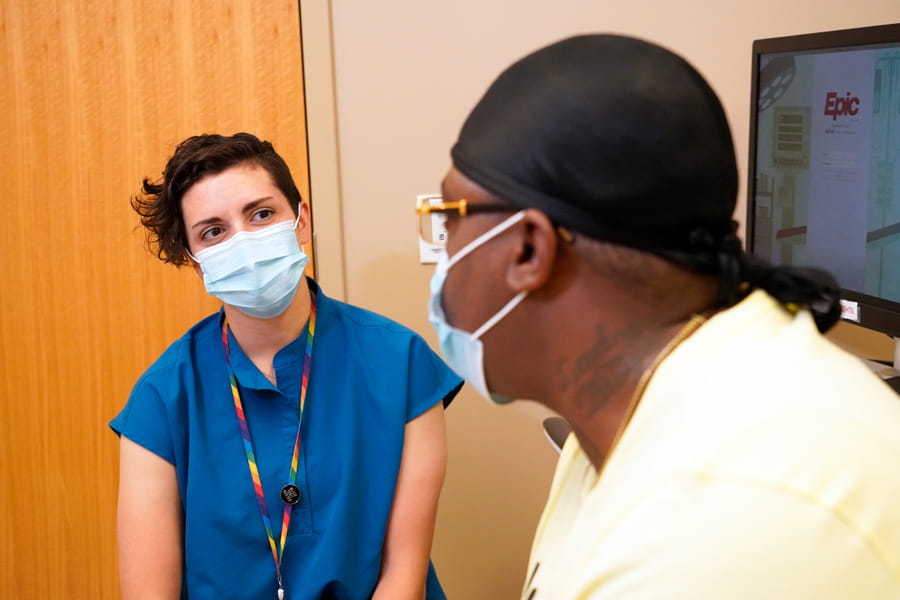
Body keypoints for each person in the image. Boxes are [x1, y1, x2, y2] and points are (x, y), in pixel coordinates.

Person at [421, 35, 900, 599]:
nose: (442, 252)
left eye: (449, 217)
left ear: (529, 249)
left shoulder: (727, 518)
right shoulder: (627, 405)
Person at [112, 132, 462, 600]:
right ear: (197, 264)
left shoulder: (400, 364)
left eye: (261, 214)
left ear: (301, 220)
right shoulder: (164, 396)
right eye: (214, 231)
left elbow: (404, 576)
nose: (244, 240)